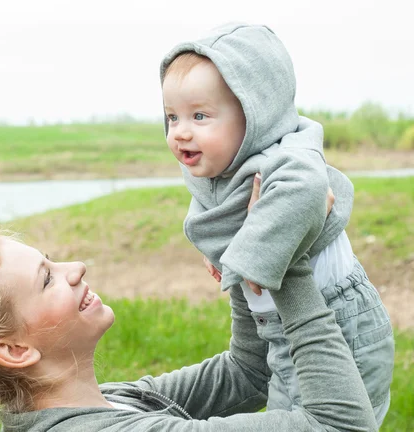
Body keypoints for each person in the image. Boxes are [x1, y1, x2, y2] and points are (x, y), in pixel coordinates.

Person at [0, 176, 378, 431]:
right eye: (46, 280)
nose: (76, 268)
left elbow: (248, 372)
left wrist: (243, 258)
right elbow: (340, 425)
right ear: (13, 349)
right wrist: (289, 265)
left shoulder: (107, 403)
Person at [160, 22, 394, 424]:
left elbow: (308, 193)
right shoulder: (215, 171)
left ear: (256, 115)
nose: (181, 132)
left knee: (334, 417)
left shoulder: (286, 159)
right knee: (288, 414)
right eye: (172, 117)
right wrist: (216, 248)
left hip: (336, 318)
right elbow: (207, 211)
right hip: (280, 324)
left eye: (199, 116)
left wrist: (250, 256)